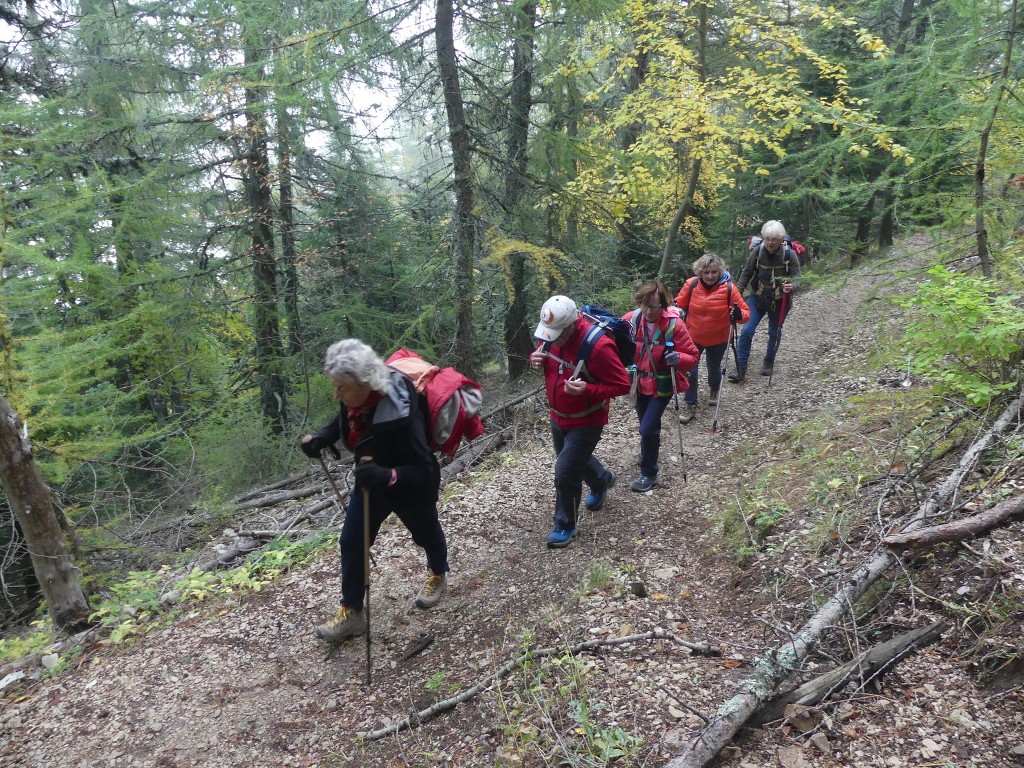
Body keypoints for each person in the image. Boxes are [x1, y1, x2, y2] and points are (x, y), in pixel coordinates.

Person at [300, 338, 450, 643]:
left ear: (366, 382)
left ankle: (438, 572)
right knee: (352, 541)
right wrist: (322, 439)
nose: (336, 394)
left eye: (342, 387)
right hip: (371, 482)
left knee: (426, 534)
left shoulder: (402, 414)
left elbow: (424, 471)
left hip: (407, 484)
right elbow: (342, 418)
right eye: (336, 386)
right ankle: (352, 613)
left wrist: (387, 475)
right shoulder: (355, 397)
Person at [529, 296, 632, 548]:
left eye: (557, 334)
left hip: (586, 419)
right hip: (557, 415)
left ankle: (565, 524)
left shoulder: (598, 347)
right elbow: (551, 362)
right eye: (547, 334)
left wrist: (587, 389)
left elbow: (622, 385)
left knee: (565, 472)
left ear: (573, 324)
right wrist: (535, 359)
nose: (550, 339)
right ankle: (601, 479)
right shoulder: (550, 335)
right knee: (574, 460)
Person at [622, 281, 698, 490]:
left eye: (653, 306)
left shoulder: (674, 324)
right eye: (644, 305)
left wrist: (678, 357)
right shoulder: (631, 320)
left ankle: (649, 472)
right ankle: (647, 453)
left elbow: (693, 356)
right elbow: (615, 342)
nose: (647, 311)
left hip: (661, 383)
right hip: (638, 382)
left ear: (663, 306)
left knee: (647, 428)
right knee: (646, 426)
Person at [674, 254, 749, 423]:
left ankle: (714, 389)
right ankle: (690, 404)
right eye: (706, 272)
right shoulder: (691, 284)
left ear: (720, 272)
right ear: (700, 272)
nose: (710, 276)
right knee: (690, 370)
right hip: (692, 336)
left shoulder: (729, 288)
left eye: (714, 272)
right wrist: (674, 311)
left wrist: (738, 314)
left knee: (714, 368)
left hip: (719, 338)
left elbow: (746, 315)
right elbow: (679, 305)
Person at [729, 220, 802, 382]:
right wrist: (736, 295)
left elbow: (798, 277)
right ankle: (740, 367)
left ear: (781, 239)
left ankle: (768, 361)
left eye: (774, 239)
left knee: (774, 332)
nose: (770, 243)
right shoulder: (757, 252)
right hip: (758, 297)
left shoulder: (789, 254)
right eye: (767, 239)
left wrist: (793, 286)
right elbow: (746, 274)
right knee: (747, 330)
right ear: (763, 238)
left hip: (780, 299)